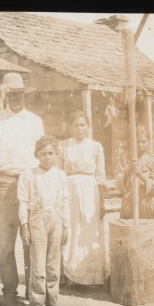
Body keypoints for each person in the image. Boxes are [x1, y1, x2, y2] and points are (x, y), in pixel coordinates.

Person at [0, 72, 44, 306]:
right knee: (7, 244)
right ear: (6, 95)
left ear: (25, 95)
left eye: (19, 94)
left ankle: (33, 293)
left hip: (29, 183)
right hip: (5, 184)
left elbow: (41, 153)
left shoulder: (35, 121)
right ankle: (9, 294)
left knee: (32, 241)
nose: (15, 98)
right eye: (11, 94)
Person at [18, 136, 69, 306]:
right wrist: (25, 226)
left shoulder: (61, 175)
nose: (47, 157)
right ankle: (37, 302)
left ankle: (53, 299)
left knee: (53, 262)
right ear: (37, 155)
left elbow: (64, 201)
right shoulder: (29, 175)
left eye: (50, 153)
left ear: (56, 154)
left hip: (55, 217)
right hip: (37, 218)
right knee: (38, 262)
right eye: (43, 153)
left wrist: (66, 225)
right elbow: (23, 202)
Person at [59, 111, 108, 286]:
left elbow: (101, 176)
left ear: (88, 127)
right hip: (69, 188)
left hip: (90, 189)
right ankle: (70, 273)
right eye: (76, 125)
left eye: (83, 125)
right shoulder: (63, 146)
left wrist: (102, 200)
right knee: (72, 228)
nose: (79, 128)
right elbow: (58, 172)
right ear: (70, 127)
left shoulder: (96, 146)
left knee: (89, 229)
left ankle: (91, 276)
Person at [119, 125, 154, 219]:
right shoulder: (126, 160)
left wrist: (141, 174)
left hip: (145, 203)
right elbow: (120, 185)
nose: (140, 145)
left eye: (143, 141)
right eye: (137, 142)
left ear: (149, 142)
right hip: (129, 203)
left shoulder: (153, 161)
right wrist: (129, 168)